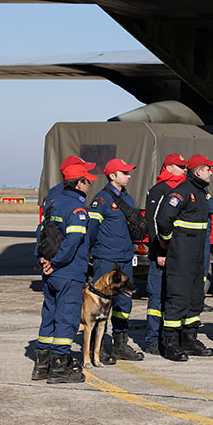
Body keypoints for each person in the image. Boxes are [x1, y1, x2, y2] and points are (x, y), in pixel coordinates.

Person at [32, 162, 96, 384]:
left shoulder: (53, 203)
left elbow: (41, 233)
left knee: (49, 314)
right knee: (67, 318)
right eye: (87, 181)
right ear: (79, 184)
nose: (89, 185)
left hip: (50, 271)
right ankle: (59, 368)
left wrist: (42, 259)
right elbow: (73, 240)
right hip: (67, 271)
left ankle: (41, 366)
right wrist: (57, 262)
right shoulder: (76, 208)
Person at [154, 154, 213, 361]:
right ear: (198, 171)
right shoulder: (181, 192)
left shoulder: (200, 193)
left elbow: (212, 209)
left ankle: (189, 339)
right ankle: (171, 343)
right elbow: (164, 219)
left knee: (195, 297)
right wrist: (167, 241)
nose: (212, 172)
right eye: (209, 169)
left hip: (197, 254)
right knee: (178, 297)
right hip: (181, 254)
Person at [85, 157, 145, 362]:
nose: (129, 176)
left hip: (125, 258)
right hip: (106, 259)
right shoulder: (100, 200)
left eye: (129, 172)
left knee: (124, 303)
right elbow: (90, 231)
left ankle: (120, 344)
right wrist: (89, 255)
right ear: (112, 175)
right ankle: (97, 348)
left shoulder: (127, 199)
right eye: (124, 172)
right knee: (99, 305)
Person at [142, 153, 187, 353]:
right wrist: (159, 251)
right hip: (162, 254)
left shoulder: (184, 190)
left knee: (175, 296)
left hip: (179, 253)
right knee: (157, 297)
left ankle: (171, 338)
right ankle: (152, 339)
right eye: (179, 166)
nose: (184, 169)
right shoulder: (159, 190)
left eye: (185, 166)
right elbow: (152, 223)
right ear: (168, 168)